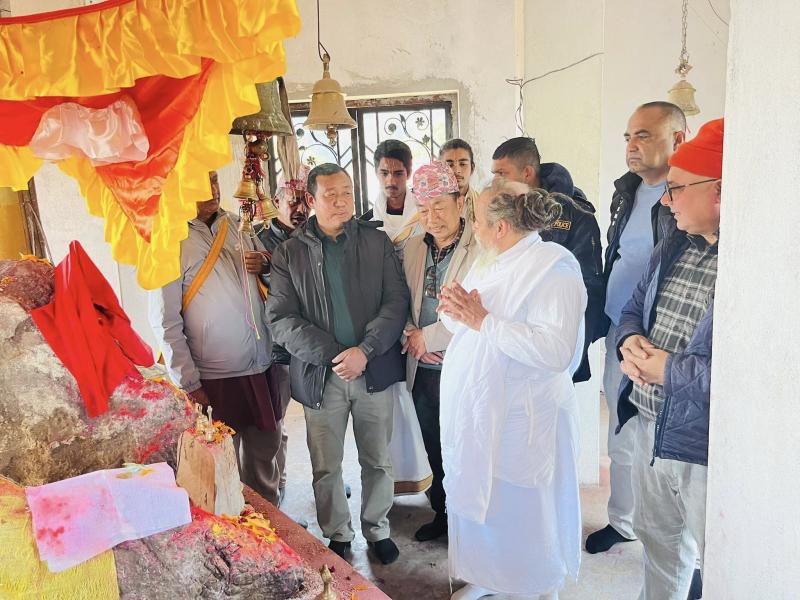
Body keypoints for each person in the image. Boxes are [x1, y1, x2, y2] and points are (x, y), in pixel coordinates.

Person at [438, 180, 587, 600]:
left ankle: (537, 586)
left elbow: (555, 351)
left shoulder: (554, 269)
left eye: (478, 220)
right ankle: (490, 576)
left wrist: (483, 320)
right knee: (487, 502)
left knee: (523, 509)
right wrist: (453, 309)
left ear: (501, 227)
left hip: (524, 415)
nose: (473, 227)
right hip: (479, 409)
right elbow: (464, 321)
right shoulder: (490, 261)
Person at [265, 163, 409, 565]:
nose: (342, 200)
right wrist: (335, 355)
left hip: (372, 370)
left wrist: (365, 350)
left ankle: (377, 528)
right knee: (326, 464)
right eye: (331, 194)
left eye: (347, 191)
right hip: (320, 376)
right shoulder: (289, 253)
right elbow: (280, 319)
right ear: (312, 200)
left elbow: (396, 301)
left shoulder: (376, 242)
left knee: (377, 459)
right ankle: (338, 533)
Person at [615, 118, 723, 600]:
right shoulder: (675, 243)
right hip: (650, 426)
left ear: (718, 192)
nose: (666, 200)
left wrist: (667, 371)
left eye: (677, 188)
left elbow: (756, 377)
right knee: (659, 545)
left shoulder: (755, 266)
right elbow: (633, 309)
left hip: (700, 445)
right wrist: (629, 343)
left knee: (717, 557)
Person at [586, 102, 687, 554]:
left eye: (643, 135)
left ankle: (676, 539)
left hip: (666, 338)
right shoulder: (626, 191)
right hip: (620, 329)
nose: (631, 145)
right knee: (621, 432)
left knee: (664, 440)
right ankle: (623, 521)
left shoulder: (685, 194)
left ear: (677, 139)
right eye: (628, 136)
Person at [149, 171, 283, 506]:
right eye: (200, 180)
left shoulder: (240, 225)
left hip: (259, 365)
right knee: (220, 465)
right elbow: (164, 321)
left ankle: (272, 523)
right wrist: (188, 382)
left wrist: (266, 266)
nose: (211, 189)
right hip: (212, 376)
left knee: (265, 454)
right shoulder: (169, 239)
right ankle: (236, 529)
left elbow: (273, 284)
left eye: (214, 180)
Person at [401, 161, 479, 541]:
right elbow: (399, 301)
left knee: (466, 447)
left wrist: (430, 339)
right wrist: (412, 337)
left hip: (462, 367)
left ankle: (470, 522)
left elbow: (480, 309)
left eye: (439, 207)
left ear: (460, 202)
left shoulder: (481, 249)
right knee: (433, 444)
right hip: (423, 371)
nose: (431, 218)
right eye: (423, 209)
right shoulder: (412, 248)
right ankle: (442, 513)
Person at [491, 137, 603, 382]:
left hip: (552, 350)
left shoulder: (575, 215)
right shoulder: (503, 211)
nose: (495, 181)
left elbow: (590, 289)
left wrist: (573, 355)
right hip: (510, 346)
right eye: (494, 174)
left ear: (527, 172)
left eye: (502, 174)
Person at [257, 165, 310, 506]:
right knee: (275, 420)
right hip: (277, 347)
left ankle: (327, 483)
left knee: (323, 420)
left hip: (316, 345)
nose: (299, 208)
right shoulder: (258, 239)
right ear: (276, 202)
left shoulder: (317, 236)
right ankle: (277, 487)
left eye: (305, 200)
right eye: (292, 201)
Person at [365, 139, 421, 245]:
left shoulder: (424, 216)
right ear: (376, 173)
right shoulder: (368, 226)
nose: (391, 181)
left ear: (409, 173)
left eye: (398, 174)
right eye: (384, 173)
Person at [440, 138, 479, 219]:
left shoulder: (484, 204)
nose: (456, 171)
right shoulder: (426, 206)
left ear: (472, 168)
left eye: (462, 164)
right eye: (449, 165)